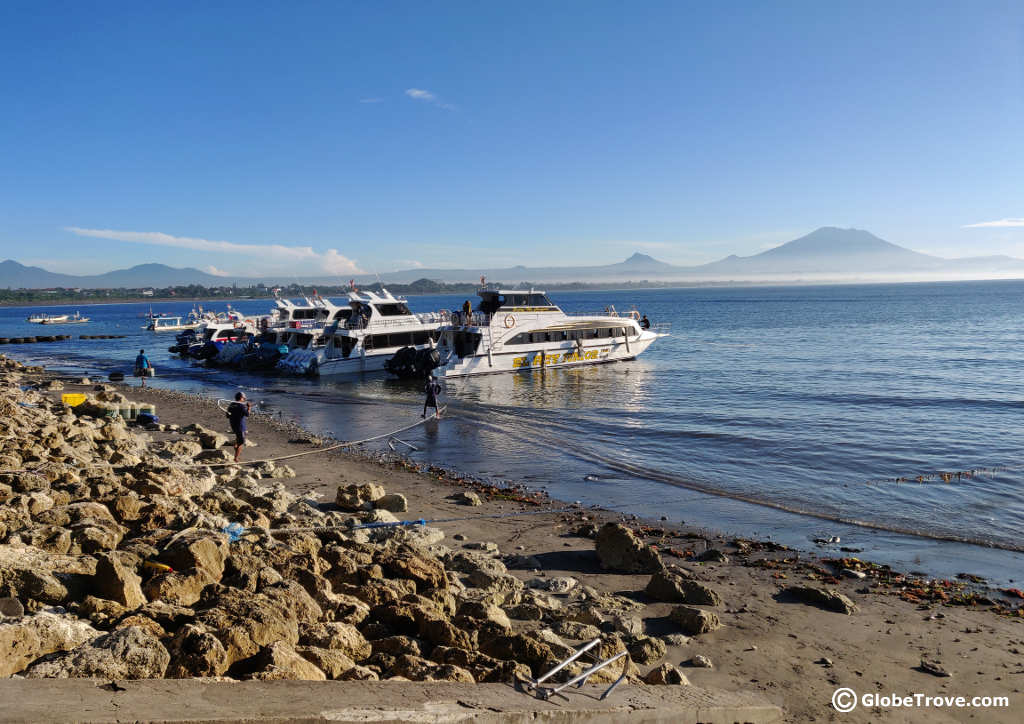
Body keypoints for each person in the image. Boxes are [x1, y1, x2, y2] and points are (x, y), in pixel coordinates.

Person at [226, 391, 251, 462]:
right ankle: (236, 458)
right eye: (244, 398)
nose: (244, 400)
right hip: (240, 426)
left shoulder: (231, 405)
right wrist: (249, 407)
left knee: (238, 438)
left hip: (233, 425)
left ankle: (236, 452)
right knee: (241, 442)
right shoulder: (242, 406)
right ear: (241, 398)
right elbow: (247, 414)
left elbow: (227, 416)